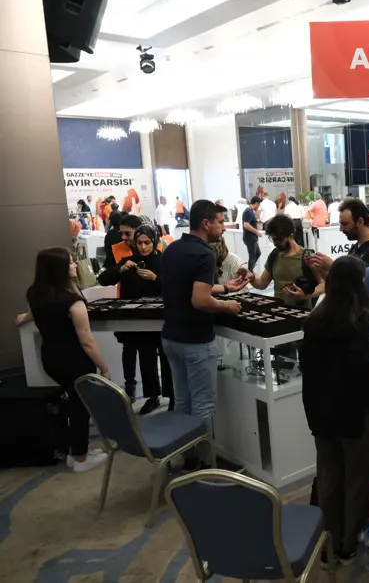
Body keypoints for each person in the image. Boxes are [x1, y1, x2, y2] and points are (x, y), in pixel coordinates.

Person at [301, 256, 369, 564]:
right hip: (354, 415)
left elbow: (313, 366)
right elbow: (360, 369)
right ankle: (348, 546)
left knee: (329, 479)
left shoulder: (315, 319)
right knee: (357, 481)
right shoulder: (359, 321)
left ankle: (328, 544)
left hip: (321, 413)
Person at [161, 200, 247, 468]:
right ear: (206, 223)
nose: (223, 227)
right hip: (195, 340)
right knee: (203, 404)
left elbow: (189, 288)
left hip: (171, 337)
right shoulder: (204, 254)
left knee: (182, 400)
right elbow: (199, 300)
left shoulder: (172, 248)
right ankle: (206, 466)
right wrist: (227, 306)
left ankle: (186, 458)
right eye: (220, 222)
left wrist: (226, 289)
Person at [16, 248, 111, 472]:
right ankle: (80, 458)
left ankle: (74, 451)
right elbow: (87, 341)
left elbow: (36, 311)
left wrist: (24, 317)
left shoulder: (35, 293)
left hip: (51, 358)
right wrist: (104, 367)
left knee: (72, 404)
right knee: (80, 407)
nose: (75, 265)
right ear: (59, 269)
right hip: (75, 361)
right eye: (70, 263)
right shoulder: (72, 302)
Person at [98, 225, 173, 414]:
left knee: (167, 358)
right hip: (139, 320)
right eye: (139, 243)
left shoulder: (164, 261)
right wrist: (121, 269)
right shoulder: (129, 261)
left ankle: (172, 397)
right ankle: (152, 396)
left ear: (154, 242)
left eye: (147, 243)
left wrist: (156, 278)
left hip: (162, 319)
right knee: (146, 358)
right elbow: (104, 279)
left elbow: (175, 287)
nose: (143, 247)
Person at [244, 214, 322, 308]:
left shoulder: (307, 257)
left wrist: (307, 295)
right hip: (278, 311)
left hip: (302, 312)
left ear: (291, 236)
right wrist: (251, 278)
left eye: (279, 239)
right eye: (273, 239)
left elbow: (324, 285)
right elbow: (262, 283)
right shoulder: (274, 255)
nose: (275, 243)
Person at [242, 196, 262, 271]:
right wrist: (256, 231)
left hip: (252, 237)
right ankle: (250, 272)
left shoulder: (251, 211)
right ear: (256, 203)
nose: (259, 206)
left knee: (258, 253)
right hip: (250, 237)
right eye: (259, 204)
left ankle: (250, 269)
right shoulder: (248, 212)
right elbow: (246, 224)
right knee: (252, 255)